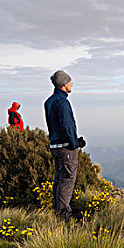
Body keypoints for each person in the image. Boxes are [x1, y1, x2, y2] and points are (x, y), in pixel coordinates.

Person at [44, 70, 86, 219]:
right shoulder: (62, 102)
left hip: (55, 145)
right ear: (63, 84)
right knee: (67, 180)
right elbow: (67, 125)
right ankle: (64, 215)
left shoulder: (49, 101)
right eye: (69, 82)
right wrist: (75, 144)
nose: (71, 84)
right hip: (65, 146)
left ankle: (57, 210)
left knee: (59, 178)